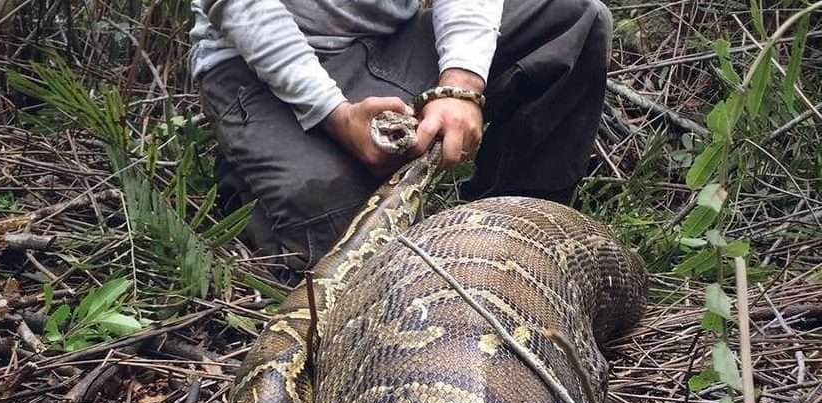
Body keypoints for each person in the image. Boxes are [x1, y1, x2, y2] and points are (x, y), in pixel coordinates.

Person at [191, 0, 612, 274]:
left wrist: (460, 84)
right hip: (255, 63)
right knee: (352, 256)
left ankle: (518, 236)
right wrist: (334, 116)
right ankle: (252, 176)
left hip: (391, 42)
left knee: (575, 20)